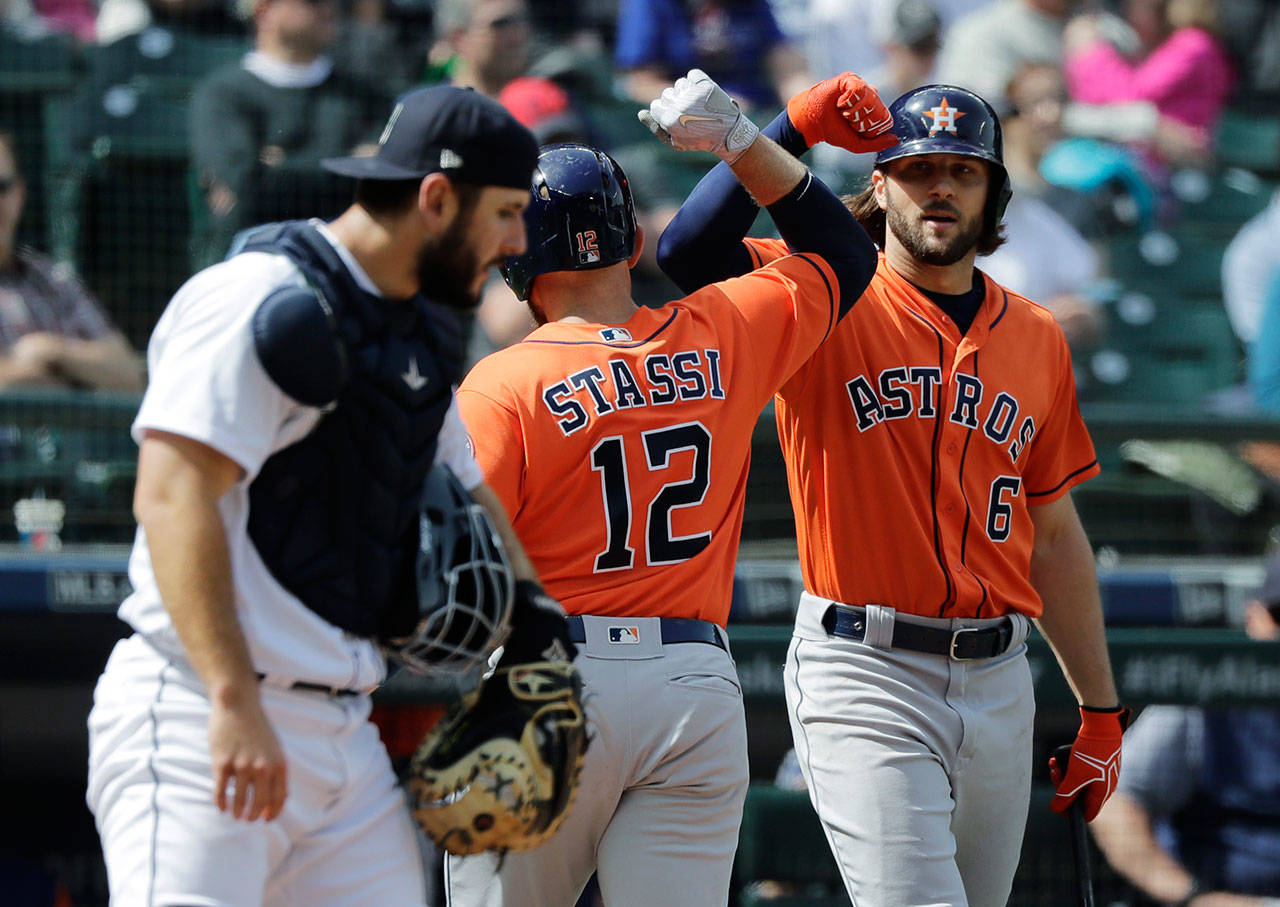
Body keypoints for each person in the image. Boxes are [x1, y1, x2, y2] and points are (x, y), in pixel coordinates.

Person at [85, 84, 568, 905]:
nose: (519, 241)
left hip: (342, 734)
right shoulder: (258, 300)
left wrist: (535, 617)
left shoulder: (415, 326)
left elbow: (466, 480)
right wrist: (233, 702)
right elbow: (171, 500)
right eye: (506, 212)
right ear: (437, 198)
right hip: (199, 710)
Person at [658, 82, 1128, 907]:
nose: (939, 188)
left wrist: (1099, 709)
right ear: (879, 183)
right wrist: (785, 130)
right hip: (864, 669)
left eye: (962, 171)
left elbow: (1053, 534)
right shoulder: (822, 293)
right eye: (917, 169)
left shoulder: (1038, 337)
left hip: (1000, 673)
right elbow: (690, 250)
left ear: (994, 196)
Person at [445, 68, 896, 907]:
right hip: (691, 685)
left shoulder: (499, 386)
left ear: (516, 261)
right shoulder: (722, 328)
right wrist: (757, 136)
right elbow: (843, 250)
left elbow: (455, 571)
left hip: (548, 677)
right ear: (632, 241)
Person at [1090, 548, 1280, 904]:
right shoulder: (1208, 686)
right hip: (1224, 894)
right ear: (1253, 617)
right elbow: (1114, 799)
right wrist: (1192, 896)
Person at [189, 0, 390, 263]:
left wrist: (282, 163)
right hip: (253, 264)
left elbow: (383, 179)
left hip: (353, 264)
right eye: (310, 2)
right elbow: (247, 184)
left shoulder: (365, 95)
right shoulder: (223, 94)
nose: (329, 7)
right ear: (264, 11)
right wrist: (348, 161)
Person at [0, 129, 144, 391]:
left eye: (1, 187)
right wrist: (69, 380)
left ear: (19, 195)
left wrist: (54, 351)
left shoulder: (48, 277)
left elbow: (128, 373)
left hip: (61, 432)